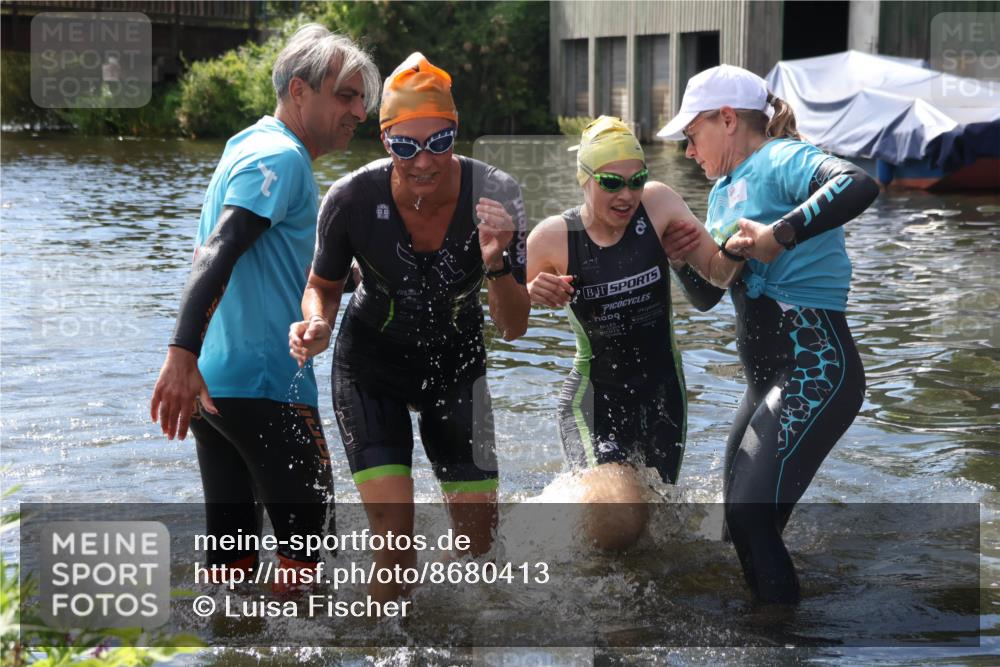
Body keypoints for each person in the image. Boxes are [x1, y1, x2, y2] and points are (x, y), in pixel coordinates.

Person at [288, 53, 530, 601]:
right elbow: (322, 285)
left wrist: (496, 261)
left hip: (457, 368)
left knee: (478, 548)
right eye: (405, 146)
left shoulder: (497, 193)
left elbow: (514, 328)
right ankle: (381, 639)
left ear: (456, 132)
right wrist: (317, 321)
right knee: (396, 551)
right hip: (370, 370)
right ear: (384, 141)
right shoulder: (351, 199)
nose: (423, 161)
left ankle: (451, 631)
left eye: (439, 143)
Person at [149, 24, 380, 591]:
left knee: (231, 570)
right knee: (310, 566)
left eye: (362, 100)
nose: (359, 112)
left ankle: (230, 636)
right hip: (267, 387)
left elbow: (264, 258)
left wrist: (352, 275)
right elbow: (220, 248)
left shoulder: (247, 144)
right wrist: (179, 353)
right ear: (299, 90)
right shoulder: (283, 157)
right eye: (346, 96)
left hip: (216, 392)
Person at [659, 64, 879, 603]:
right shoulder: (721, 194)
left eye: (692, 134)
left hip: (815, 369)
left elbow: (858, 183)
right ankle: (767, 616)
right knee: (737, 524)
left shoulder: (781, 157)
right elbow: (711, 294)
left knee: (748, 516)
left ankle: (779, 637)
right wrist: (682, 260)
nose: (689, 150)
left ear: (727, 119)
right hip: (765, 384)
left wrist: (780, 234)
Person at [526, 116, 746, 551]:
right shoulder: (552, 237)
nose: (627, 195)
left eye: (637, 180)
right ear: (584, 179)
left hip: (664, 397)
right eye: (611, 182)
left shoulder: (659, 204)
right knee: (619, 520)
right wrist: (529, 291)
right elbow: (508, 318)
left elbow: (717, 278)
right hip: (596, 397)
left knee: (655, 536)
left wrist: (737, 246)